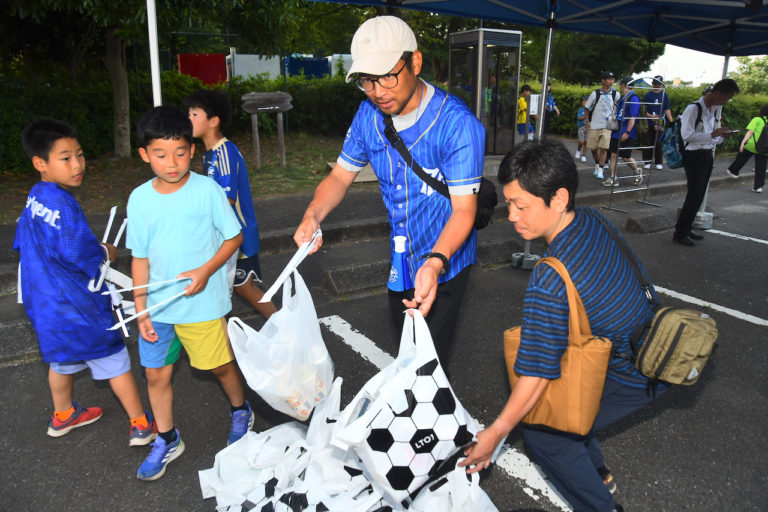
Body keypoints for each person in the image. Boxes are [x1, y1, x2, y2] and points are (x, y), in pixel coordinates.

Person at [459, 138, 666, 512]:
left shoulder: (550, 277)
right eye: (509, 204)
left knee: (546, 434)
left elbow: (537, 371)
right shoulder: (591, 219)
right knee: (572, 408)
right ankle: (598, 472)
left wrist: (496, 432)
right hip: (654, 336)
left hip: (636, 369)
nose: (512, 215)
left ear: (558, 199)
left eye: (521, 205)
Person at [293, 16, 484, 369]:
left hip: (446, 261)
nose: (377, 90)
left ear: (416, 62)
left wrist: (435, 262)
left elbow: (464, 211)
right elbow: (339, 177)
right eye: (367, 80)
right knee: (406, 355)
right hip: (401, 260)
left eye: (387, 76)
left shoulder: (456, 124)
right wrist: (312, 214)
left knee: (429, 365)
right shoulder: (368, 116)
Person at [127, 106, 252, 481]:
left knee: (219, 366)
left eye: (180, 153)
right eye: (161, 155)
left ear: (192, 150)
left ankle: (241, 409)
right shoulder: (139, 199)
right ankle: (167, 438)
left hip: (202, 305)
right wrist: (141, 308)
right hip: (158, 307)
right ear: (144, 155)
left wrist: (205, 271)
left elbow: (234, 237)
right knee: (155, 376)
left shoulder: (207, 190)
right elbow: (140, 258)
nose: (172, 163)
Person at [14, 118, 156, 447]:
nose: (78, 165)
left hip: (45, 302)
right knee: (113, 358)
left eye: (79, 155)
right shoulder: (63, 204)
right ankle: (140, 424)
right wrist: (106, 251)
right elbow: (80, 253)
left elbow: (24, 242)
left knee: (60, 359)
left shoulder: (35, 195)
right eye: (65, 158)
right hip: (77, 304)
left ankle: (63, 415)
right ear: (40, 163)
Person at [184, 89, 278, 318]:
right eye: (189, 114)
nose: (189, 119)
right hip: (224, 234)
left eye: (194, 114)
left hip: (237, 234)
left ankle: (285, 327)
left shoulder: (224, 152)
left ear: (213, 121)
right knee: (230, 288)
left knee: (243, 287)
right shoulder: (209, 154)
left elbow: (226, 199)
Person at [673, 78, 740, 246]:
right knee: (694, 195)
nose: (726, 101)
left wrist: (720, 136)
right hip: (694, 156)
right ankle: (681, 231)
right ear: (717, 93)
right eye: (726, 97)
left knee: (699, 195)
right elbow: (687, 135)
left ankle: (687, 228)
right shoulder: (693, 108)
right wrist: (712, 135)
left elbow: (711, 136)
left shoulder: (714, 109)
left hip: (707, 154)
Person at [603, 76, 642, 187]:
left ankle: (636, 171)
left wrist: (627, 132)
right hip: (617, 130)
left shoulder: (633, 98)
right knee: (613, 154)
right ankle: (613, 177)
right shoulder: (623, 97)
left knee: (626, 157)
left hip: (627, 131)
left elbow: (633, 117)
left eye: (621, 84)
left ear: (624, 85)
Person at [725, 102, 768, 193]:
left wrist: (743, 142)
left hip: (752, 145)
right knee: (761, 167)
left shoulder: (757, 119)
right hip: (765, 148)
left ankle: (733, 170)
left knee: (742, 157)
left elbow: (750, 132)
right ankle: (758, 187)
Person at [585, 71, 619, 180]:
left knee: (604, 148)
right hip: (594, 124)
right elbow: (586, 108)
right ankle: (597, 163)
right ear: (603, 81)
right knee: (593, 148)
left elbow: (618, 107)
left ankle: (601, 168)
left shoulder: (615, 94)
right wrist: (588, 121)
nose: (611, 81)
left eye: (612, 79)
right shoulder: (595, 93)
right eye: (609, 79)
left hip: (608, 125)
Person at [641, 75, 674, 170]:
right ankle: (647, 161)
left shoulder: (664, 95)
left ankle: (658, 162)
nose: (657, 85)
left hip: (660, 123)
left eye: (659, 84)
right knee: (647, 143)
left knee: (659, 143)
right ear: (652, 84)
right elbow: (642, 110)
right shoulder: (647, 95)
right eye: (655, 83)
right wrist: (651, 116)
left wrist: (671, 121)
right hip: (648, 123)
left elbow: (667, 109)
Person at [575, 96, 588, 162]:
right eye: (583, 101)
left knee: (586, 142)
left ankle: (584, 155)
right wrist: (586, 115)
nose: (583, 102)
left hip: (589, 127)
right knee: (581, 141)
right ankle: (578, 150)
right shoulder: (581, 110)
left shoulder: (591, 110)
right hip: (581, 126)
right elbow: (579, 118)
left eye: (584, 101)